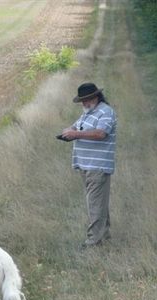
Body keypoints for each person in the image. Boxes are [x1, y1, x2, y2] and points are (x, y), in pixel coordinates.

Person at [61, 83, 117, 249]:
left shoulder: (106, 112)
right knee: (99, 202)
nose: (84, 103)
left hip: (97, 166)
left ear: (96, 97)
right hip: (85, 165)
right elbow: (75, 126)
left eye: (86, 100)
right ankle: (104, 236)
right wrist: (68, 131)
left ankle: (93, 242)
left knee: (94, 203)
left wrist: (76, 134)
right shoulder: (87, 113)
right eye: (82, 101)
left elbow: (101, 133)